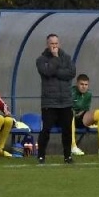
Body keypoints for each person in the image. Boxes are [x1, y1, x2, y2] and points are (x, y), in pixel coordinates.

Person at [33, 33, 77, 164]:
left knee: (67, 130)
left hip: (65, 101)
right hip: (50, 102)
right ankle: (41, 156)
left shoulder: (67, 58)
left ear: (59, 44)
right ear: (47, 45)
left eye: (56, 43)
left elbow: (71, 73)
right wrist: (56, 59)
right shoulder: (41, 59)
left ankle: (67, 156)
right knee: (46, 130)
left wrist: (55, 71)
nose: (54, 46)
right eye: (52, 44)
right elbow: (46, 72)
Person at [69, 74, 99, 157]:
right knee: (69, 114)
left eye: (86, 85)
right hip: (68, 119)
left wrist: (91, 120)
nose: (84, 87)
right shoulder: (71, 92)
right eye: (81, 84)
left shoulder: (88, 94)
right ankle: (73, 147)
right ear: (77, 84)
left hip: (80, 117)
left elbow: (85, 110)